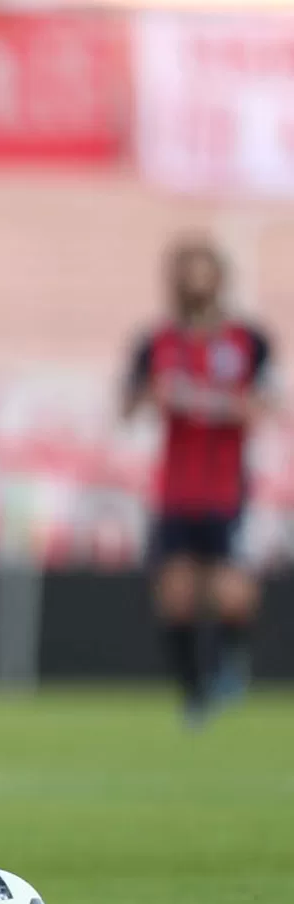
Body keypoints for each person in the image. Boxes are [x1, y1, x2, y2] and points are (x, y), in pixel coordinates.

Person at [124, 236, 274, 726]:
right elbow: (129, 406)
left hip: (229, 489)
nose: (196, 283)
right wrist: (154, 397)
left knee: (233, 593)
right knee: (177, 597)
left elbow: (268, 403)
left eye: (204, 272)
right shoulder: (156, 343)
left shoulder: (249, 341)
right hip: (174, 491)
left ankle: (231, 663)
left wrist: (227, 406)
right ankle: (194, 695)